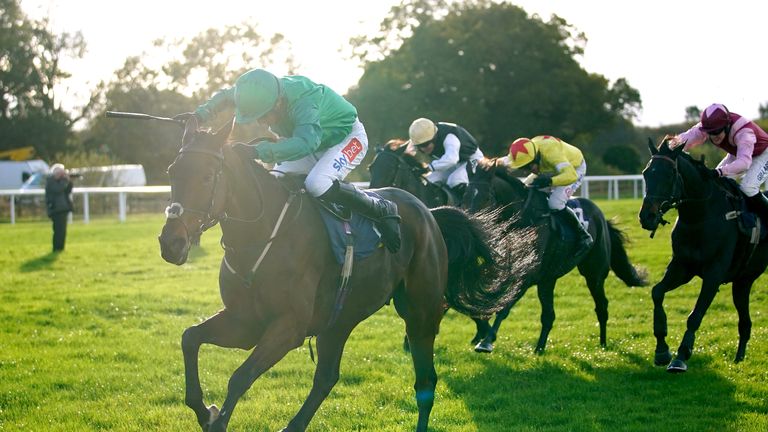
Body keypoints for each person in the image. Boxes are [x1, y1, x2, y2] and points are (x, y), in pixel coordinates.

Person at [175, 68, 401, 253]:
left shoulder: (304, 101)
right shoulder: (257, 90)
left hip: (345, 140)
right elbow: (225, 97)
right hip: (307, 140)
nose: (262, 123)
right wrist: (199, 116)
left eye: (263, 116)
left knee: (317, 183)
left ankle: (381, 209)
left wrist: (258, 151)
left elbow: (306, 143)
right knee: (273, 186)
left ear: (278, 103)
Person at [497, 135, 593, 257]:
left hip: (573, 168)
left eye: (529, 166)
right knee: (525, 189)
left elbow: (571, 175)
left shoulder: (551, 153)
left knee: (555, 203)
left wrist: (550, 181)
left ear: (536, 157)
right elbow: (496, 162)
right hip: (550, 167)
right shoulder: (524, 154)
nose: (528, 171)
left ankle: (584, 236)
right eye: (524, 168)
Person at [668, 103, 768, 219]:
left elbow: (744, 163)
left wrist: (718, 172)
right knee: (716, 184)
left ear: (727, 125)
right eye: (710, 132)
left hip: (763, 153)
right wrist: (666, 149)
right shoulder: (708, 126)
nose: (714, 136)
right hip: (738, 153)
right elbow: (684, 139)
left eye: (717, 131)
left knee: (748, 187)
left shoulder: (744, 133)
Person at [406, 118, 484, 200]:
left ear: (434, 137)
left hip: (473, 159)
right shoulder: (426, 135)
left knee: (455, 180)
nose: (423, 149)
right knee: (429, 180)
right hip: (454, 164)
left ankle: (469, 207)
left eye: (426, 144)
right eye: (419, 146)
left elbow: (452, 159)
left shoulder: (449, 136)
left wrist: (429, 168)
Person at [45, 163, 74, 252]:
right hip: (56, 209)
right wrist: (65, 180)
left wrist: (69, 181)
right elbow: (58, 189)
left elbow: (67, 191)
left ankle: (61, 248)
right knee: (58, 230)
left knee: (63, 231)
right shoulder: (51, 182)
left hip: (63, 209)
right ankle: (56, 247)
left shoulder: (61, 181)